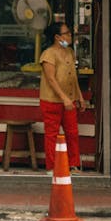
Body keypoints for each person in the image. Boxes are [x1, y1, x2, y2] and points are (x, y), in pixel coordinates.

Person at [39, 21, 86, 173]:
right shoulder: (48, 54)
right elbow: (51, 79)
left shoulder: (70, 52)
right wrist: (64, 98)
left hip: (70, 99)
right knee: (52, 134)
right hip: (52, 100)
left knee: (72, 132)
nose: (70, 36)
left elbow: (73, 77)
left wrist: (80, 97)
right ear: (57, 37)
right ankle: (51, 166)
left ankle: (73, 163)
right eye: (67, 34)